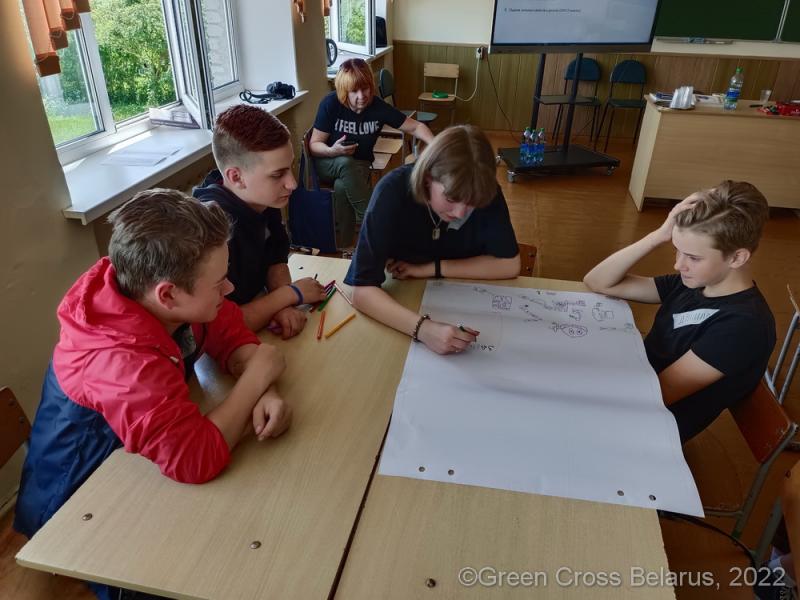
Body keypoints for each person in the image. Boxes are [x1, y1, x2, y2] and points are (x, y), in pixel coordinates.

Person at [14, 190, 291, 600]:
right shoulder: (120, 362)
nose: (230, 288)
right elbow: (194, 459)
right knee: (201, 570)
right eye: (219, 283)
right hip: (83, 499)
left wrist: (261, 384)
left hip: (143, 458)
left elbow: (227, 328)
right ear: (168, 295)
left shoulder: (155, 289)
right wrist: (255, 380)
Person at [583, 181, 775, 443]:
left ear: (737, 258)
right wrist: (659, 235)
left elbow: (653, 395)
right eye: (677, 251)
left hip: (647, 426)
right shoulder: (694, 284)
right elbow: (598, 281)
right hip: (633, 388)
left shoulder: (742, 327)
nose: (678, 265)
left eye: (693, 257)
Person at [344, 124, 521, 355]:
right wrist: (423, 329)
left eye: (472, 203)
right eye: (452, 198)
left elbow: (510, 264)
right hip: (408, 308)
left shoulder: (482, 189)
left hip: (464, 302)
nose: (460, 212)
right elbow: (361, 291)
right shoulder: (391, 192)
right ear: (428, 178)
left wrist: (431, 268)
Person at [194, 105, 326, 337]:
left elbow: (275, 258)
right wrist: (290, 294)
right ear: (236, 177)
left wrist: (282, 306)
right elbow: (217, 329)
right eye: (277, 175)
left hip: (257, 312)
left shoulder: (262, 198)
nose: (292, 183)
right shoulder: (207, 231)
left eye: (290, 168)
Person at [309, 57, 435, 235]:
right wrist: (332, 151)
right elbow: (314, 145)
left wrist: (437, 146)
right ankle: (374, 219)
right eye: (354, 91)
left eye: (365, 88)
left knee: (341, 187)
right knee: (345, 162)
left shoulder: (378, 107)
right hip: (327, 162)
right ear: (344, 91)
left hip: (360, 164)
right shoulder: (331, 104)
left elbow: (416, 127)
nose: (362, 96)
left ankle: (345, 243)